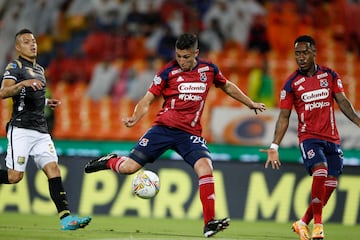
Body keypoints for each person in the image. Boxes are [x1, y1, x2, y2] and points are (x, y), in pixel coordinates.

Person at [84, 33, 266, 238]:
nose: (181, 60)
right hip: (163, 129)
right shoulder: (167, 72)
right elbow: (147, 99)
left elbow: (228, 86)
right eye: (178, 56)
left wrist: (250, 103)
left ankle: (209, 223)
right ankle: (110, 161)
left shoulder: (209, 69)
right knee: (128, 168)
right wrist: (136, 117)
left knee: (206, 167)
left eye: (186, 57)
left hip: (189, 134)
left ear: (196, 53)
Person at [260, 35, 360, 240]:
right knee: (320, 171)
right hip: (309, 138)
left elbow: (343, 102)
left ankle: (303, 222)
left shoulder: (330, 76)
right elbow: (284, 117)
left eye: (305, 52)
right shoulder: (291, 84)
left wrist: (359, 122)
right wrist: (274, 145)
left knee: (330, 184)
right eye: (297, 53)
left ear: (314, 52)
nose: (301, 57)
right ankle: (319, 227)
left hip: (332, 138)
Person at [0, 29, 91, 230]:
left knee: (53, 169)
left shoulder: (40, 69)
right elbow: (4, 92)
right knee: (15, 176)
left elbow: (32, 97)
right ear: (18, 47)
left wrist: (46, 101)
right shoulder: (14, 66)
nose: (32, 44)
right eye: (26, 42)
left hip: (41, 130)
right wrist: (23, 83)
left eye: (34, 41)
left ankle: (66, 219)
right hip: (21, 129)